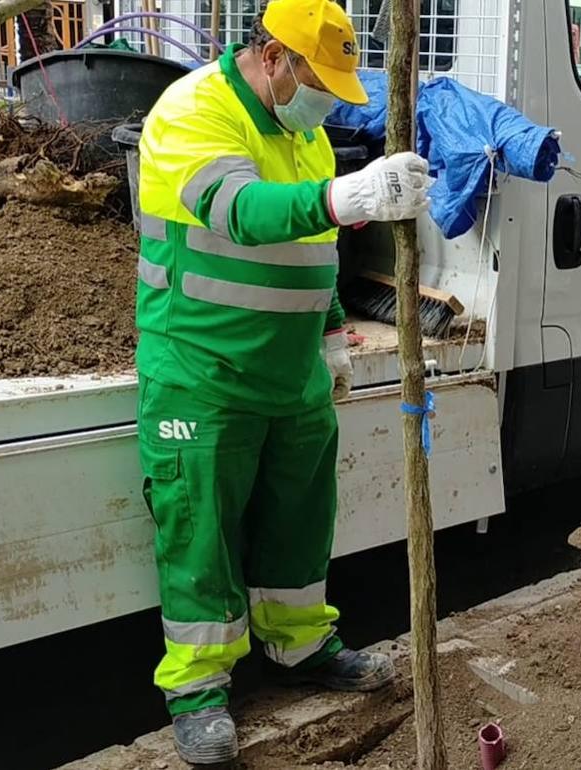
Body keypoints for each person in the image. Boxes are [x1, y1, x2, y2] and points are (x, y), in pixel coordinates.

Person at [134, 0, 431, 763]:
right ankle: (197, 688)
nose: (324, 101)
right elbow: (236, 212)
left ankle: (300, 646)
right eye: (316, 80)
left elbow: (314, 249)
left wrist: (332, 336)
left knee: (301, 519)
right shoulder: (192, 110)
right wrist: (350, 195)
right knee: (200, 530)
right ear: (272, 57)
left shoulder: (305, 137)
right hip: (204, 368)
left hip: (292, 370)